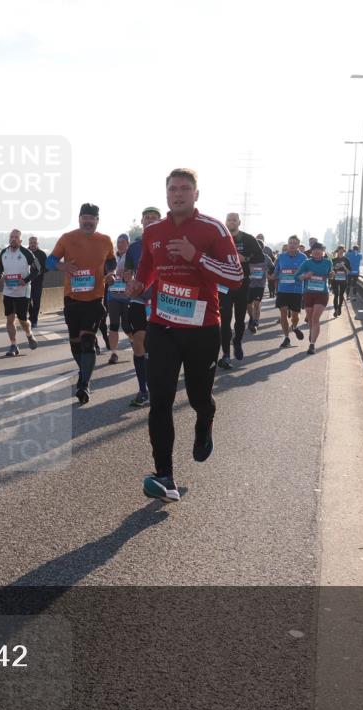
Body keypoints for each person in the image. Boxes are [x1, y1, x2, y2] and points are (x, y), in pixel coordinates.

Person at [132, 169, 242, 502]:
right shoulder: (154, 231)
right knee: (160, 399)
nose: (178, 194)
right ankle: (164, 475)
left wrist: (197, 257)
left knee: (197, 397)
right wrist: (139, 285)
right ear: (166, 194)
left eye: (184, 189)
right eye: (172, 189)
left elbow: (235, 276)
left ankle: (205, 418)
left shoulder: (213, 229)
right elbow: (147, 270)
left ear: (196, 194)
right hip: (162, 326)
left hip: (202, 329)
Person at [48, 203, 116, 404]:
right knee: (76, 344)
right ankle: (84, 372)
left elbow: (111, 261)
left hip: (95, 299)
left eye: (91, 218)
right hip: (72, 299)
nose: (88, 221)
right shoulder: (67, 238)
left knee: (87, 341)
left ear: (97, 220)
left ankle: (84, 384)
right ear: (79, 219)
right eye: (84, 217)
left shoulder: (105, 240)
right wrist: (62, 265)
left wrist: (109, 273)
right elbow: (49, 261)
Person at [124, 207, 162, 407]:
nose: (150, 221)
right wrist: (129, 280)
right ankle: (142, 390)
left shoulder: (166, 242)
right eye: (147, 218)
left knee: (157, 346)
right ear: (142, 221)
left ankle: (159, 384)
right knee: (139, 340)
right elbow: (128, 270)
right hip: (139, 299)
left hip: (162, 300)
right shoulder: (134, 247)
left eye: (154, 218)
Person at [217, 213, 262, 368]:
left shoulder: (248, 239)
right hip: (224, 285)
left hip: (243, 283)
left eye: (234, 220)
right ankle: (226, 354)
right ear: (225, 222)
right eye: (229, 219)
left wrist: (246, 259)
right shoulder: (219, 238)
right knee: (225, 319)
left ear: (239, 222)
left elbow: (260, 258)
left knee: (240, 317)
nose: (231, 222)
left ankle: (237, 343)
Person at [0, 229, 40, 357]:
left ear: (20, 240)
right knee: (10, 319)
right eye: (11, 237)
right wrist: (0, 274)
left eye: (16, 237)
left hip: (23, 291)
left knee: (22, 319)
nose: (13, 239)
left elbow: (37, 269)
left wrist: (25, 280)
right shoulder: (3, 252)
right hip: (8, 290)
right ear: (9, 239)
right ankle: (13, 345)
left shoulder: (27, 253)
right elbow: (0, 268)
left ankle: (29, 334)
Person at [270, 236, 307, 348]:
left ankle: (294, 327)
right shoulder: (281, 257)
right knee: (283, 312)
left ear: (298, 245)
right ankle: (286, 338)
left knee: (295, 316)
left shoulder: (303, 257)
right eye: (290, 243)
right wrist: (268, 276)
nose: (292, 245)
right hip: (283, 290)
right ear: (287, 244)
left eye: (294, 243)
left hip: (296, 290)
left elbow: (307, 273)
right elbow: (276, 273)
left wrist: (300, 275)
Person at [296, 242, 332, 354]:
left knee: (316, 318)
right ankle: (312, 334)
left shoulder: (327, 262)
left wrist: (332, 275)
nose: (317, 251)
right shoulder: (307, 263)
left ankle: (312, 345)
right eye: (315, 249)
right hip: (309, 294)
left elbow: (330, 274)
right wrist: (305, 276)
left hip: (322, 294)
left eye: (319, 249)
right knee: (311, 318)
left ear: (323, 251)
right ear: (311, 252)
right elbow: (296, 276)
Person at [104, 234, 132, 365]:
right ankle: (114, 353)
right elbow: (104, 274)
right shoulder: (111, 258)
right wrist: (108, 276)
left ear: (128, 244)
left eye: (123, 242)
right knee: (114, 325)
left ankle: (135, 344)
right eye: (118, 242)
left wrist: (127, 274)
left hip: (128, 296)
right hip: (113, 295)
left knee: (127, 326)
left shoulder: (132, 257)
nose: (120, 244)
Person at [247, 234, 269, 332]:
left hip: (260, 285)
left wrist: (270, 275)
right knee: (248, 304)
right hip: (248, 284)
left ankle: (255, 321)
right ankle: (251, 318)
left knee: (257, 303)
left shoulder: (266, 257)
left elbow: (272, 268)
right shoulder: (248, 257)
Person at [27, 236, 47, 327]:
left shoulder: (42, 254)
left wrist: (39, 272)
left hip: (38, 282)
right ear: (29, 243)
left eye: (34, 242)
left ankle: (34, 320)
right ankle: (32, 316)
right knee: (27, 301)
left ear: (37, 243)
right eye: (31, 242)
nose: (32, 244)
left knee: (36, 302)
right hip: (27, 282)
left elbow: (47, 268)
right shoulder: (25, 253)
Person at [331, 245, 352, 316]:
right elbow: (331, 270)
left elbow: (349, 271)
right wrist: (335, 267)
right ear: (337, 251)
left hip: (343, 280)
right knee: (336, 295)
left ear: (344, 251)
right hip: (335, 280)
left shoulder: (346, 260)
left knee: (341, 294)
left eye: (342, 250)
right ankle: (335, 310)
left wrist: (343, 266)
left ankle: (339, 307)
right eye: (339, 249)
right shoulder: (333, 260)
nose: (341, 251)